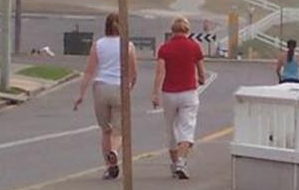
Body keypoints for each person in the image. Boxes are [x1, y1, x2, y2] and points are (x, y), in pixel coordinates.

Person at [73, 12, 138, 180]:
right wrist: (130, 86)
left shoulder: (98, 45)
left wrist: (81, 94)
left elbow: (89, 71)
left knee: (106, 130)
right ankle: (114, 152)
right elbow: (133, 72)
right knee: (119, 130)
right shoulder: (127, 45)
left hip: (101, 87)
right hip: (119, 87)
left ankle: (109, 166)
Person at [152, 16, 206, 180]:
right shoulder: (194, 47)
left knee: (171, 128)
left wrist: (155, 93)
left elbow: (160, 72)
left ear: (172, 31)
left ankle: (175, 164)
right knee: (186, 127)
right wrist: (202, 79)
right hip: (188, 92)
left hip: (169, 93)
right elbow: (201, 70)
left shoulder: (164, 49)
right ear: (187, 31)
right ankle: (181, 162)